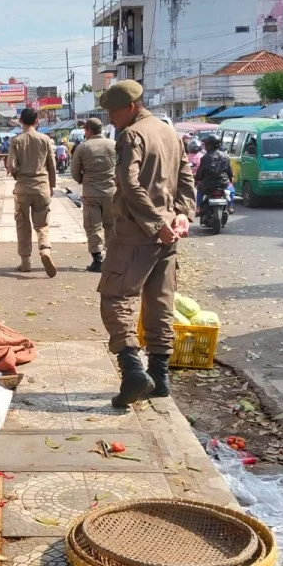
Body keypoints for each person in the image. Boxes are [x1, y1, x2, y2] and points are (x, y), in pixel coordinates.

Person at [98, 80, 195, 408]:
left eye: (113, 111)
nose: (110, 118)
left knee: (116, 297)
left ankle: (133, 371)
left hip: (136, 234)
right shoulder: (170, 132)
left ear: (131, 107)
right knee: (160, 303)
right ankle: (160, 376)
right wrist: (183, 215)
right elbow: (186, 178)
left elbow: (129, 185)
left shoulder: (131, 135)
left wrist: (155, 223)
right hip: (168, 234)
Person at [6, 107, 58, 277]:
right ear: (37, 121)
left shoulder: (16, 141)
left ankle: (26, 261)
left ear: (20, 121)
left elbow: (11, 165)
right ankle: (45, 251)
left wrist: (17, 176)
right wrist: (51, 185)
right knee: (42, 224)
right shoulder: (45, 139)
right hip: (41, 186)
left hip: (23, 187)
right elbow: (52, 165)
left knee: (22, 224)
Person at [71, 117, 117, 273]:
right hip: (112, 192)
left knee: (92, 227)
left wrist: (83, 180)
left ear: (88, 130)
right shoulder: (114, 145)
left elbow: (75, 172)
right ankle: (111, 259)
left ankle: (97, 260)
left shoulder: (83, 147)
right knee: (111, 226)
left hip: (91, 193)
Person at [195, 135, 234, 215]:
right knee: (232, 190)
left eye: (206, 144)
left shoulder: (205, 158)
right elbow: (229, 171)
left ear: (210, 145)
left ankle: (198, 208)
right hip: (223, 184)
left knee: (199, 190)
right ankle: (230, 207)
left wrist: (197, 179)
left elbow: (200, 172)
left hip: (207, 185)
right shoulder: (225, 156)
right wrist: (230, 179)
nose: (205, 146)